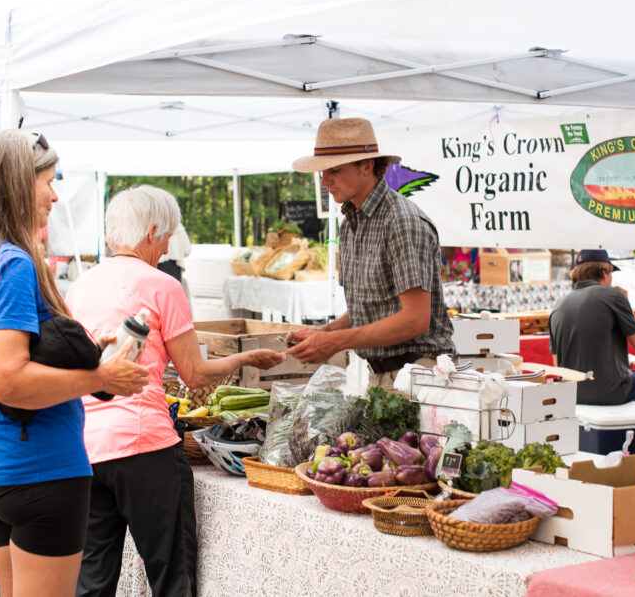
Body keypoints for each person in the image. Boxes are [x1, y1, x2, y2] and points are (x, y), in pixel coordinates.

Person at [0, 130, 148, 597]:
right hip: (41, 470)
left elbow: (7, 356)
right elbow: (5, 378)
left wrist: (83, 349)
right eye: (47, 181)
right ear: (14, 183)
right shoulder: (12, 263)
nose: (54, 195)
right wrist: (100, 376)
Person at [66, 185, 285, 597]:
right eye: (167, 235)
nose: (168, 245)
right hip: (144, 444)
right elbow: (195, 374)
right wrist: (245, 358)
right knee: (171, 574)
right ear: (151, 232)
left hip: (85, 446)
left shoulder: (80, 286)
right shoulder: (162, 285)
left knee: (91, 579)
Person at [286, 117, 455, 386]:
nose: (324, 180)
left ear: (367, 165)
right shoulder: (351, 223)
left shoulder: (402, 222)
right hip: (380, 374)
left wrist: (334, 341)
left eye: (334, 169)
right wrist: (324, 331)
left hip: (419, 374)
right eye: (322, 171)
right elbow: (372, 308)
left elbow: (414, 321)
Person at [548, 249, 635, 405]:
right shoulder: (614, 295)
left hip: (572, 395)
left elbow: (558, 364)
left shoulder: (558, 305)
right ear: (604, 273)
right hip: (612, 391)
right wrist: (628, 308)